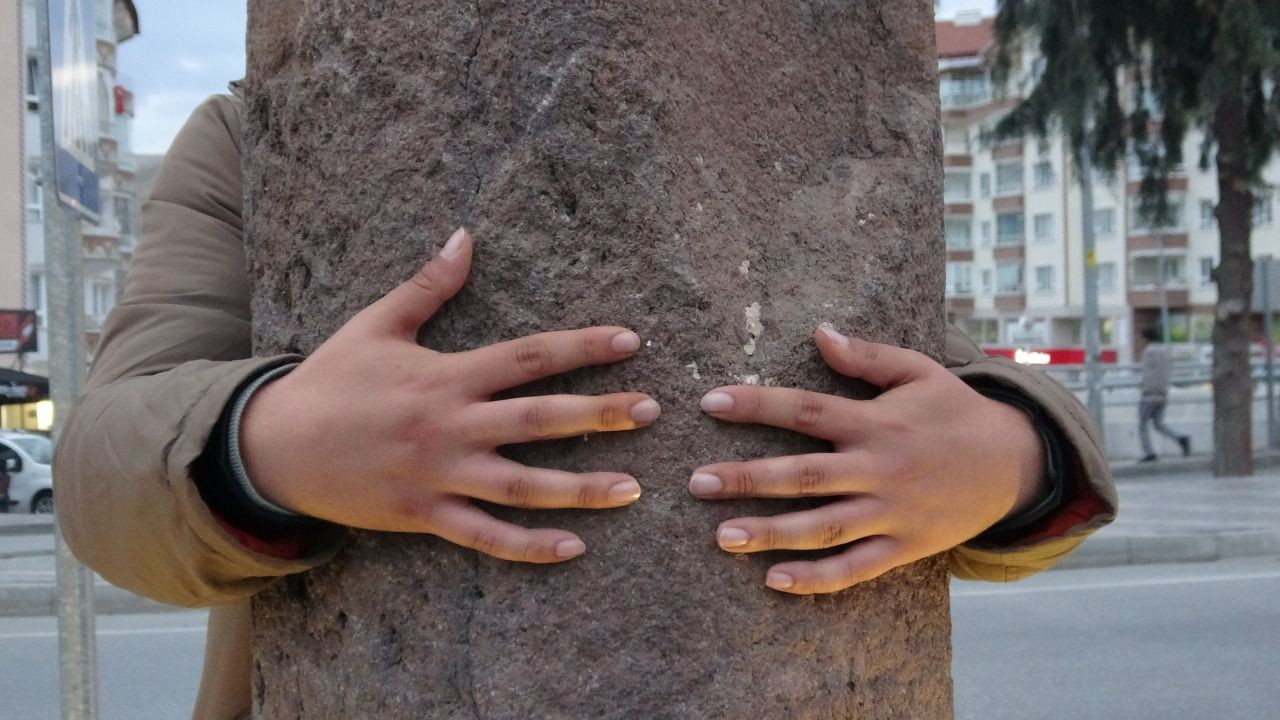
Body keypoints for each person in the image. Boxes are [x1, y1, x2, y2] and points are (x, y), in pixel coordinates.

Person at [53, 92, 1116, 720]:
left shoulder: (792, 110)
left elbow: (960, 393)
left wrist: (1011, 459)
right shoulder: (262, 126)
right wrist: (269, 443)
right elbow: (100, 476)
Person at [1137, 326, 1191, 462]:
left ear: (1146, 338)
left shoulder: (1149, 352)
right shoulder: (1165, 351)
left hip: (1150, 393)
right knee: (1158, 423)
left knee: (1142, 423)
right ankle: (1180, 438)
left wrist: (1146, 388)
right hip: (1163, 392)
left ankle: (1149, 452)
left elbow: (1149, 373)